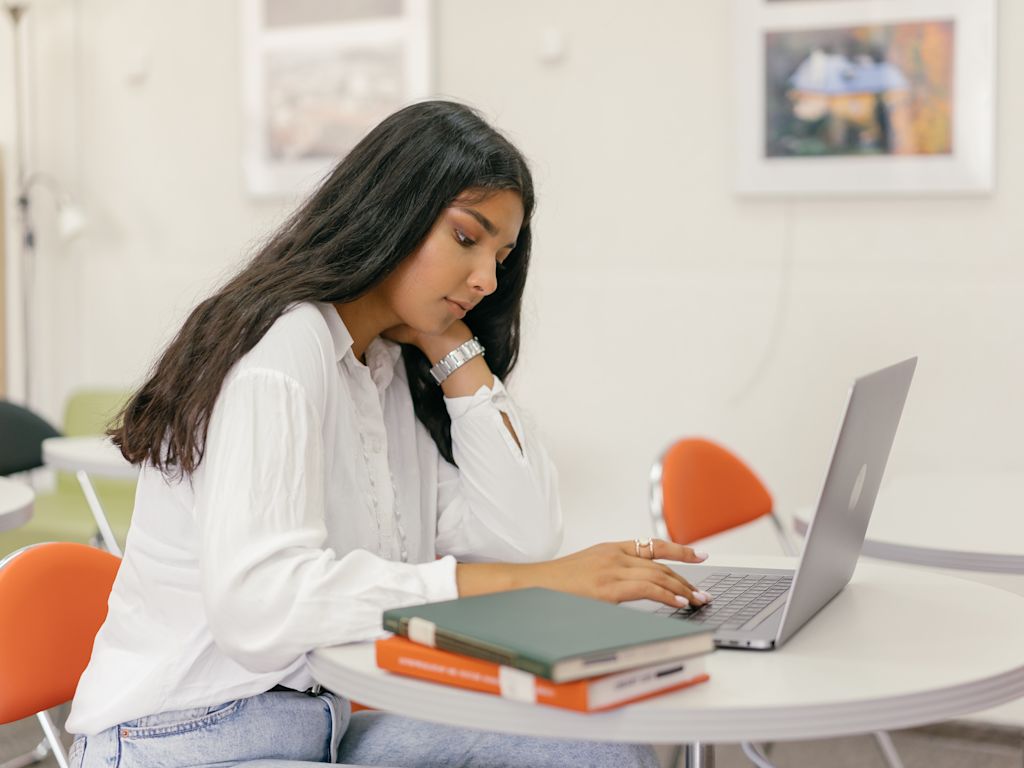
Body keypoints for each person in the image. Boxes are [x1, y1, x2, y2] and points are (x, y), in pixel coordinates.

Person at [65, 100, 711, 768]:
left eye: (501, 255)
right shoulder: (283, 351)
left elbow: (519, 541)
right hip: (182, 742)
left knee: (590, 741)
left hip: (316, 730)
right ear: (391, 210)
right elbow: (260, 608)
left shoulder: (385, 369)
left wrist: (454, 348)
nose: (487, 279)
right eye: (467, 238)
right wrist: (536, 582)